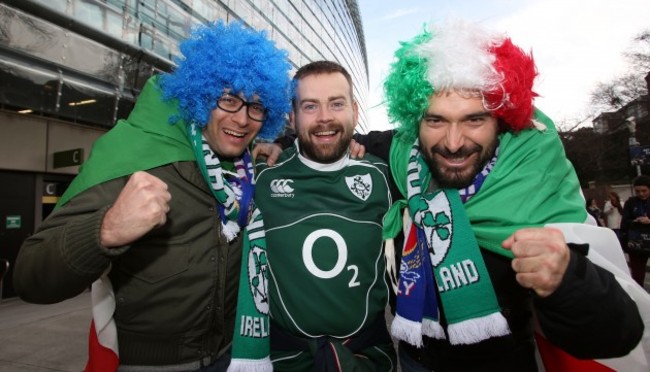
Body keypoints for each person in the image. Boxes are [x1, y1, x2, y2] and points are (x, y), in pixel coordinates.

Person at [347, 21, 645, 371]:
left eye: (474, 120)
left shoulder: (533, 184)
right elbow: (332, 141)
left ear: (500, 121)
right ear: (415, 123)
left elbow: (618, 333)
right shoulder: (400, 158)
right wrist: (274, 148)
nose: (453, 143)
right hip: (413, 359)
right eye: (436, 121)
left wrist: (567, 278)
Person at [13, 21, 292, 371]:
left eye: (256, 107)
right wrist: (104, 231)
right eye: (228, 99)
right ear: (201, 95)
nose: (243, 119)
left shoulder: (243, 169)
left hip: (230, 356)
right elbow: (29, 277)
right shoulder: (135, 154)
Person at [228, 61, 397, 371]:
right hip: (282, 359)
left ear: (355, 111)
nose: (324, 117)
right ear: (292, 117)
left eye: (336, 103)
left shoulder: (386, 172)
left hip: (367, 356)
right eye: (310, 106)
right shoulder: (259, 175)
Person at [621, 175, 650, 286]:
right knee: (637, 277)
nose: (641, 194)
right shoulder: (630, 203)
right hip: (637, 243)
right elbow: (624, 223)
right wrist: (635, 221)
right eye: (638, 191)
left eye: (644, 191)